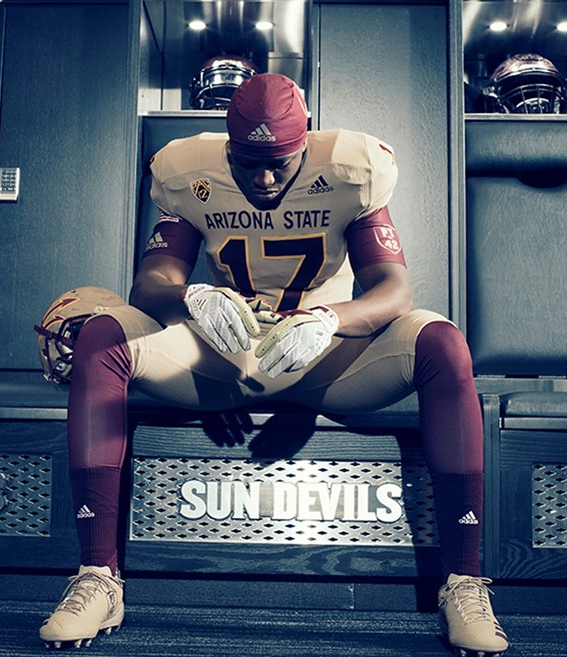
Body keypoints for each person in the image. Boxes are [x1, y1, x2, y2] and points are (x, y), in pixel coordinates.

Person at [37, 73, 509, 657]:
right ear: (227, 148)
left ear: (305, 142)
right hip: (227, 353)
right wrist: (191, 296)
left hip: (324, 356)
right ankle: (98, 576)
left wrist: (330, 318)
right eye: (248, 164)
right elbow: (150, 284)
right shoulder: (190, 172)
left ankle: (464, 581)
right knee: (103, 335)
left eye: (278, 165)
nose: (263, 180)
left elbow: (394, 290)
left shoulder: (350, 169)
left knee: (443, 343)